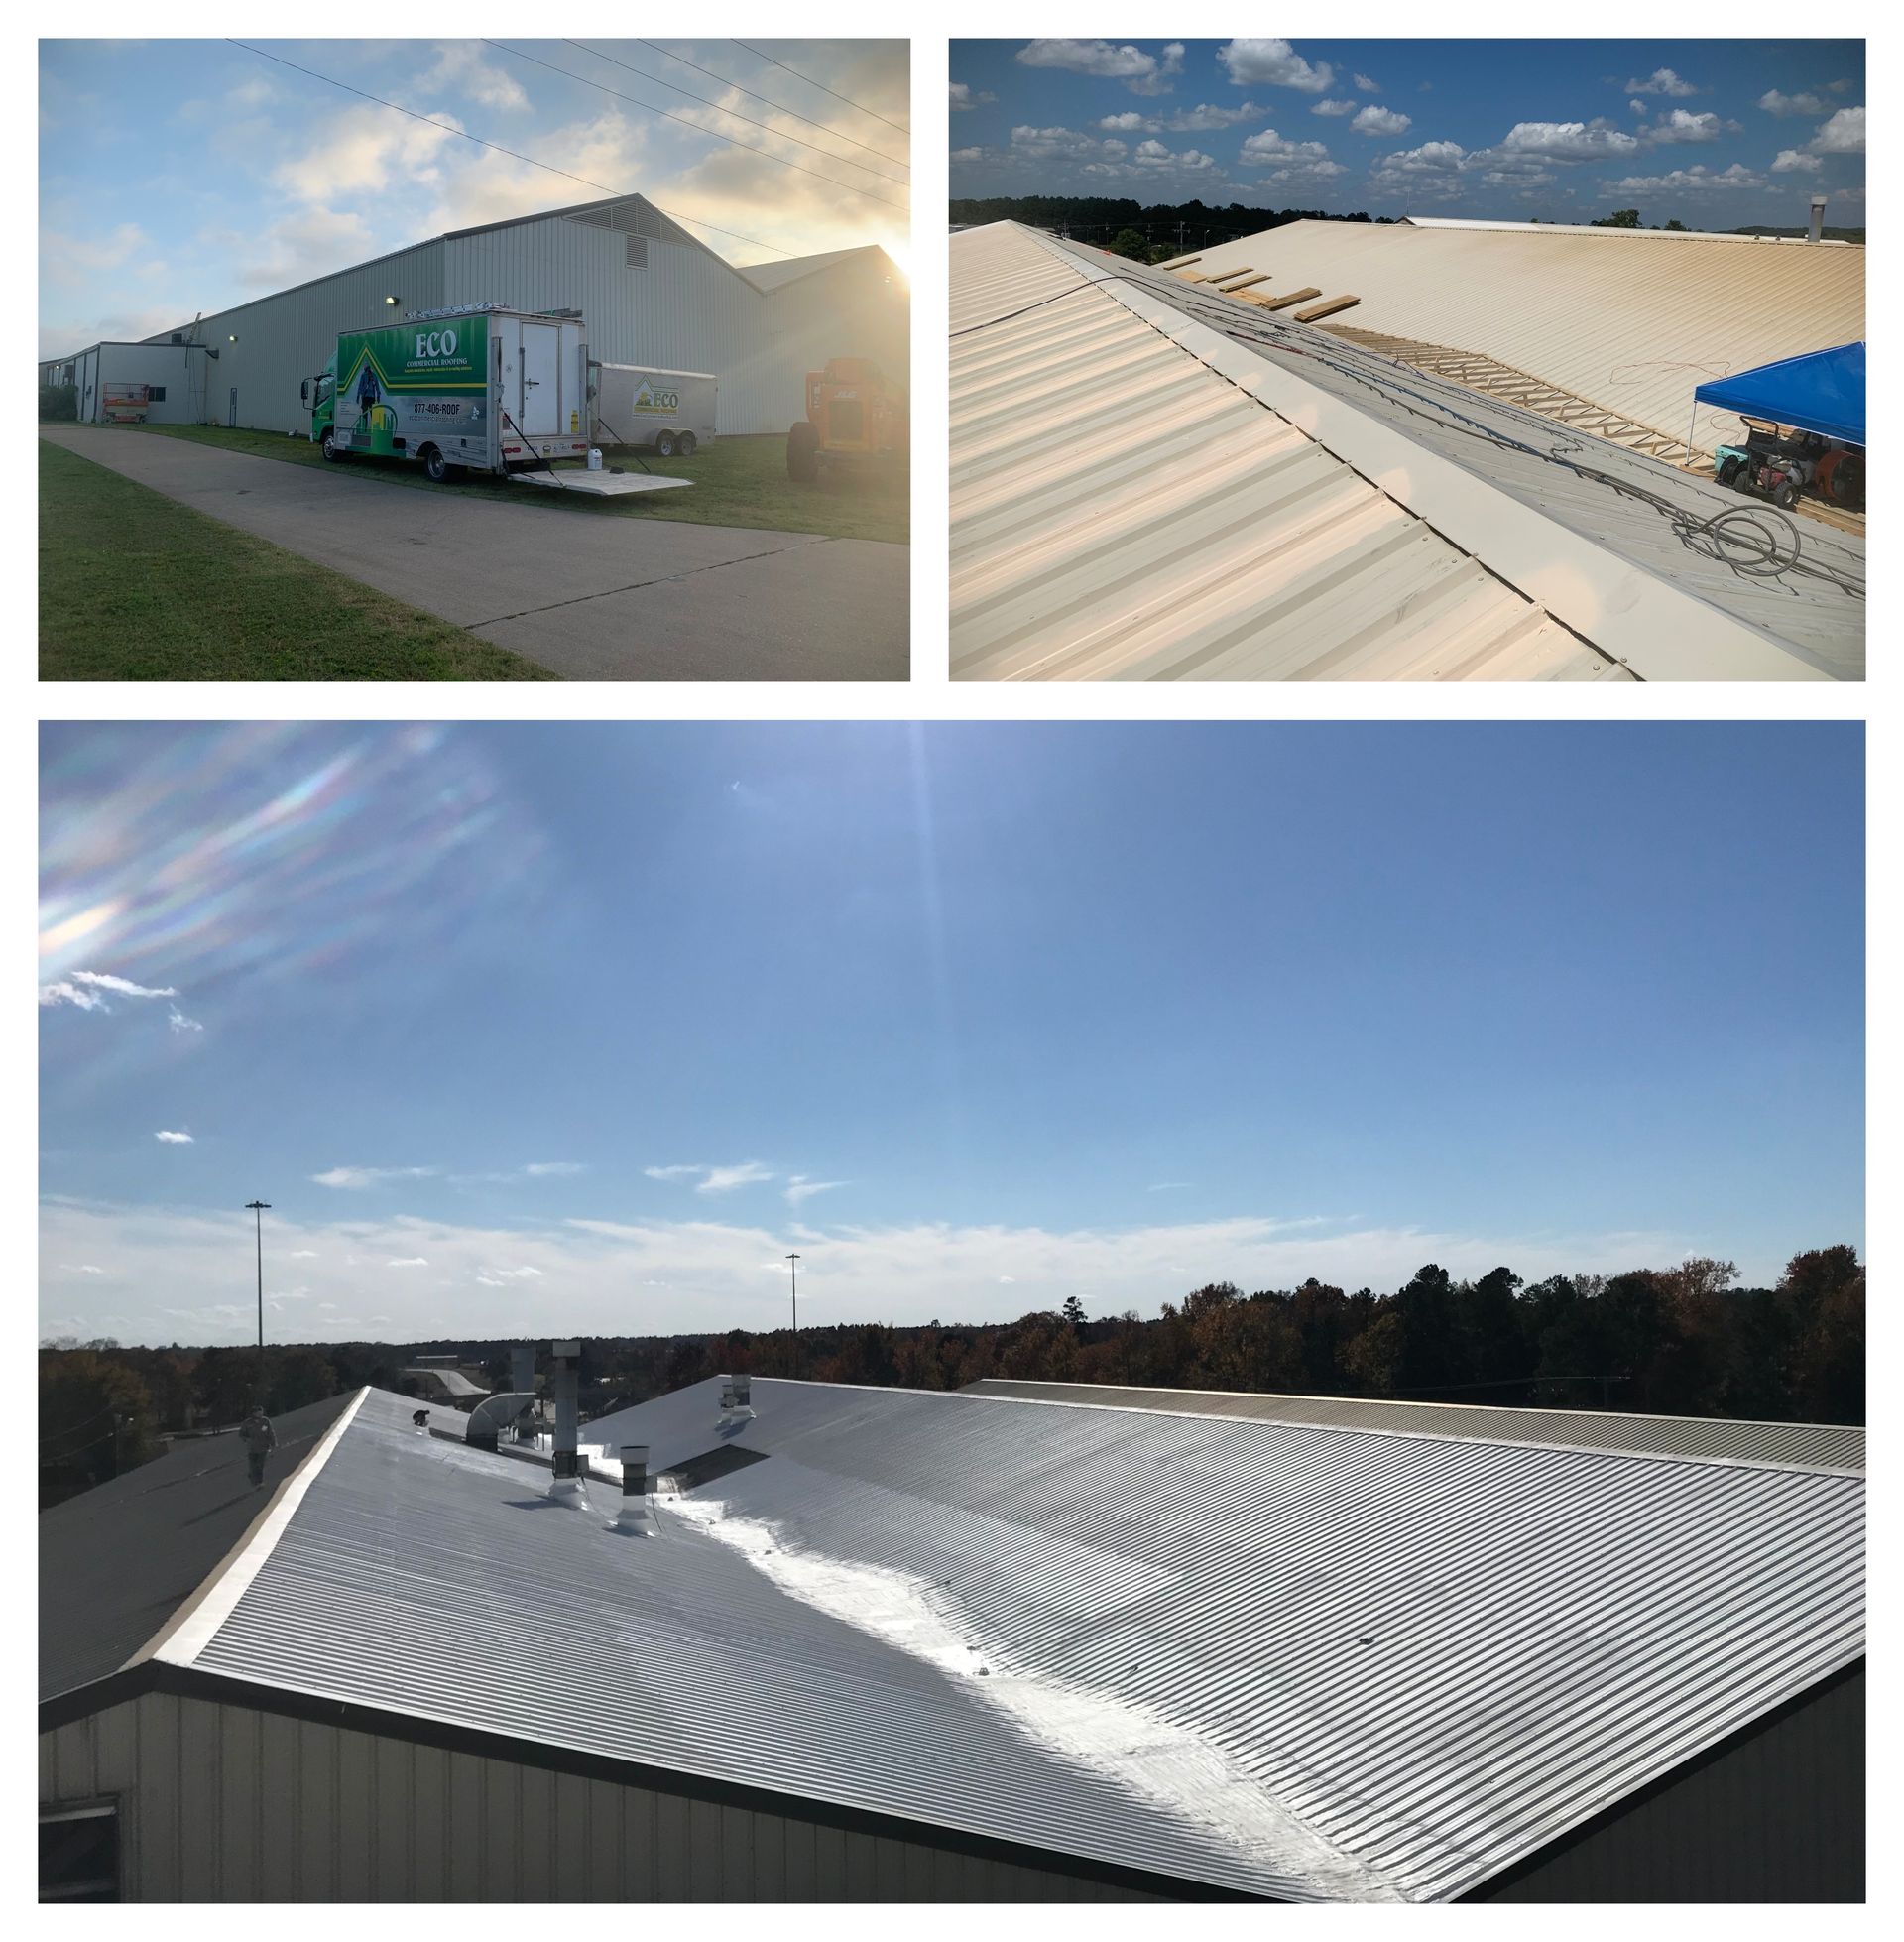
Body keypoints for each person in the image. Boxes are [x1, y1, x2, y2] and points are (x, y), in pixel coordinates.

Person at [239, 1406, 277, 1488]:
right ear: (253, 1413)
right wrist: (246, 1439)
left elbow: (270, 1433)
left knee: (260, 1465)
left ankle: (259, 1482)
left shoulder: (265, 1421)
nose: (260, 1414)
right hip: (252, 1449)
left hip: (263, 1448)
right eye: (258, 1412)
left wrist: (273, 1444)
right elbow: (241, 1434)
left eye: (261, 1412)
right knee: (253, 1466)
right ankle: (253, 1476)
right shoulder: (247, 1423)